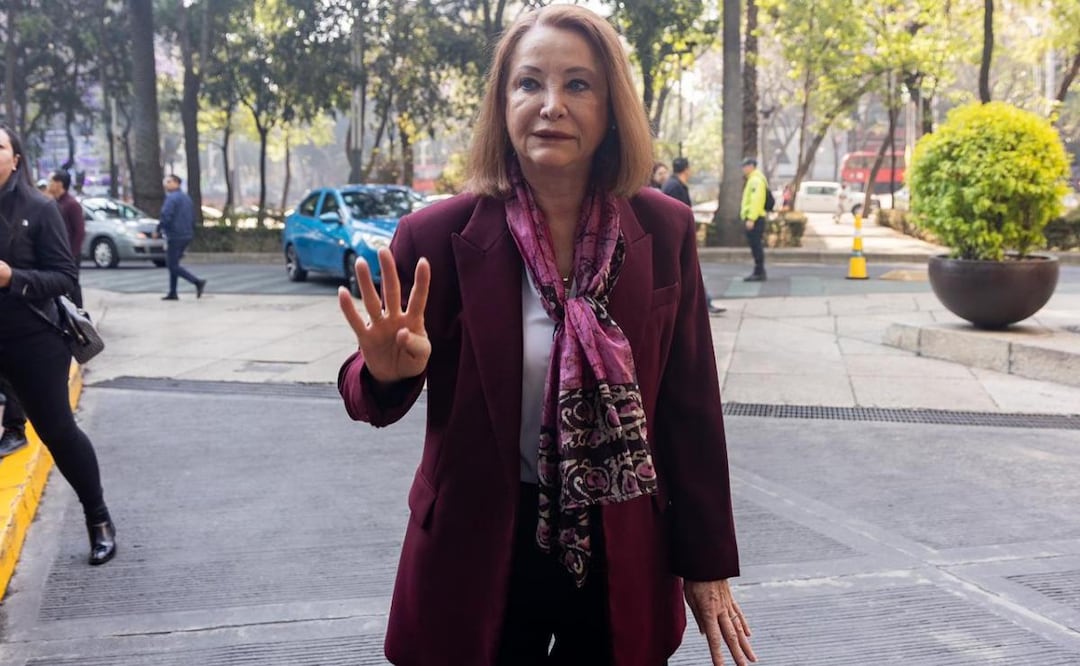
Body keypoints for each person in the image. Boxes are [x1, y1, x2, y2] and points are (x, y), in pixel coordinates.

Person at [336, 7, 754, 666]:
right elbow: (369, 396)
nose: (551, 105)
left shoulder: (665, 232)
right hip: (479, 552)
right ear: (503, 105)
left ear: (611, 105)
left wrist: (706, 565)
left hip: (619, 545)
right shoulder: (437, 239)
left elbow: (690, 409)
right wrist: (387, 373)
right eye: (529, 84)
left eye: (578, 85)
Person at [0, 124, 116, 565]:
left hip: (35, 338)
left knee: (57, 432)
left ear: (17, 158)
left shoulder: (39, 208)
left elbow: (64, 277)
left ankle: (98, 518)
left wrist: (13, 278)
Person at [659, 157, 725, 315]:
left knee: (689, 272)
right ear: (686, 169)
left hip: (676, 237)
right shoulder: (675, 187)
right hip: (676, 237)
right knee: (688, 272)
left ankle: (704, 302)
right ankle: (702, 303)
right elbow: (675, 215)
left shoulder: (674, 185)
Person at [157, 174, 206, 301]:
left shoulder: (171, 199)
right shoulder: (186, 198)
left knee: (172, 265)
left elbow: (166, 215)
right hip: (186, 234)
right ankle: (173, 292)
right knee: (174, 263)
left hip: (175, 234)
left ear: (176, 183)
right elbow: (193, 217)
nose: (166, 184)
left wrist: (160, 229)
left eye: (169, 182)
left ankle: (197, 282)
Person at [46, 169, 85, 307]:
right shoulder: (54, 203)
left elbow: (79, 232)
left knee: (72, 286)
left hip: (69, 254)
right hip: (58, 252)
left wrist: (71, 254)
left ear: (59, 184)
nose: (48, 184)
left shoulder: (71, 204)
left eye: (51, 181)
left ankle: (79, 316)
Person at [740, 157, 768, 282]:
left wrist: (751, 218)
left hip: (755, 218)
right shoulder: (753, 179)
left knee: (756, 246)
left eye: (745, 166)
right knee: (755, 245)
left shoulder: (756, 180)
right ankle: (759, 270)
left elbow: (756, 200)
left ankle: (759, 271)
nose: (743, 169)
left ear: (751, 166)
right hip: (755, 217)